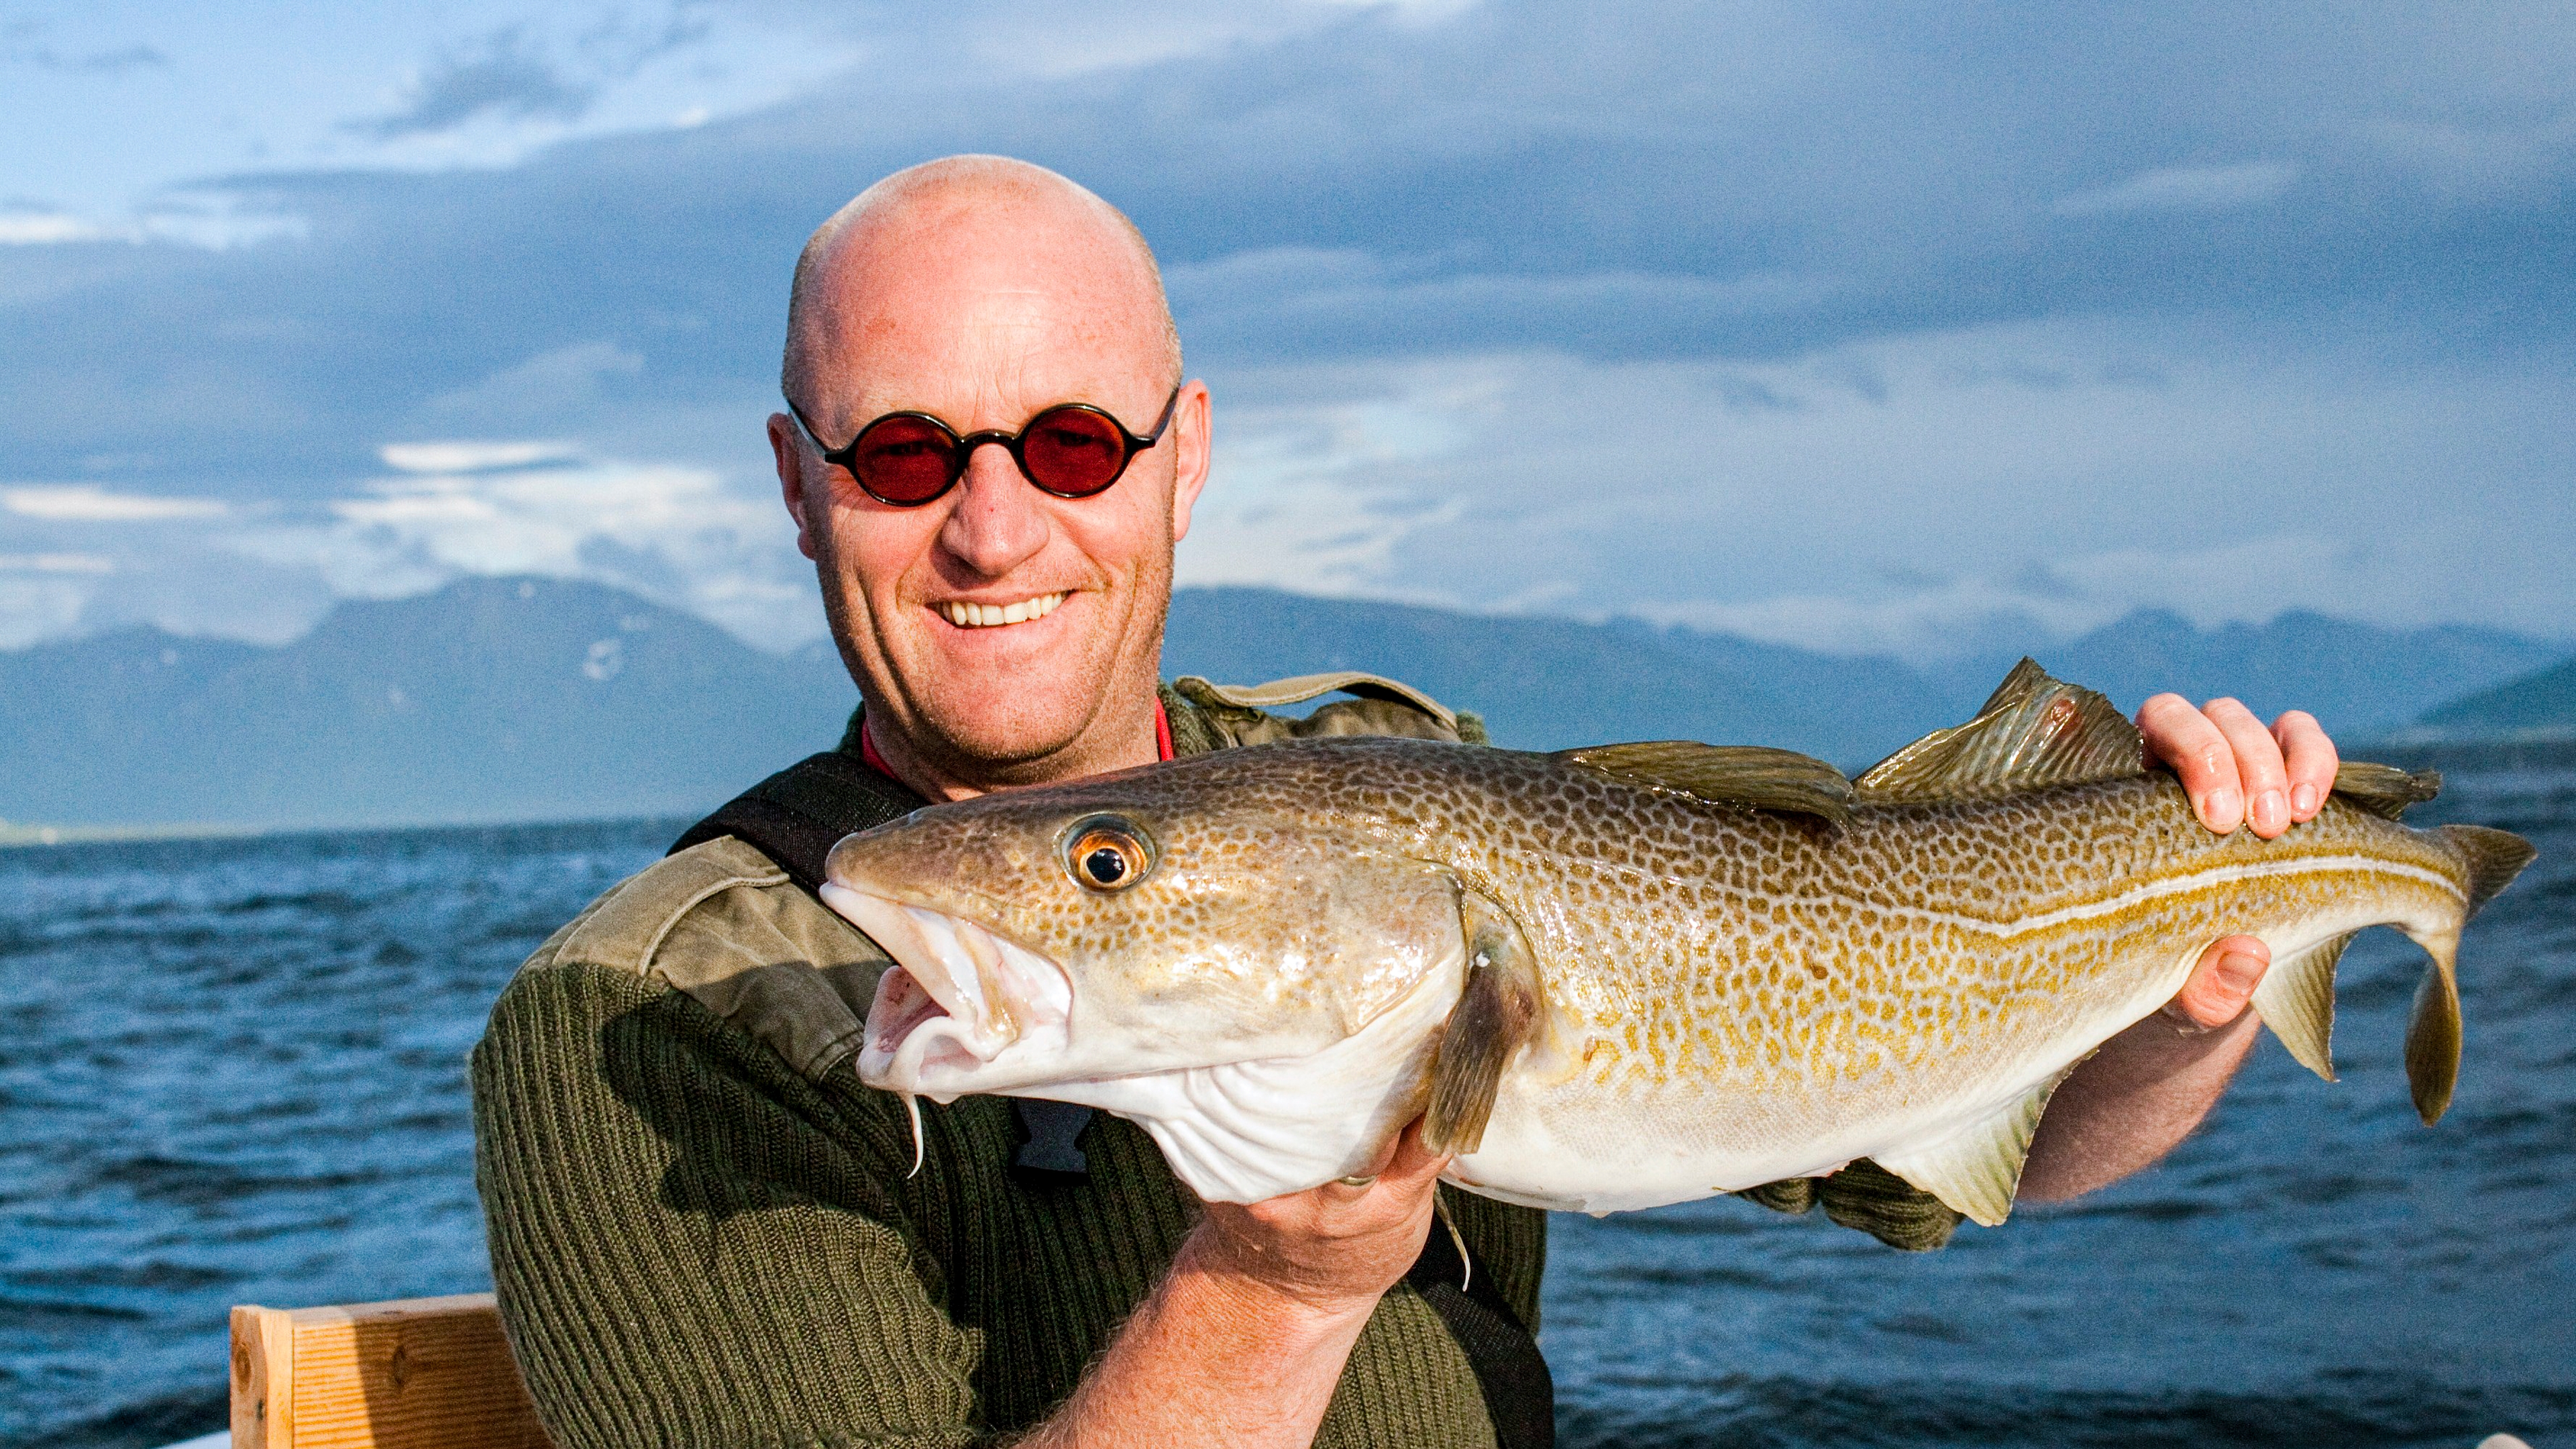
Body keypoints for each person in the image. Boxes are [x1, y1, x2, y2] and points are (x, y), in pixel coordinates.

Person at [470, 156, 2345, 1449]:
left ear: (1181, 459)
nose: (991, 526)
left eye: (1066, 442)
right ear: (799, 489)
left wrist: (2184, 996)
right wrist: (1274, 1290)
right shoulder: (643, 1021)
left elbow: (1902, 1142)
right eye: (898, 453)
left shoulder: (1427, 781)